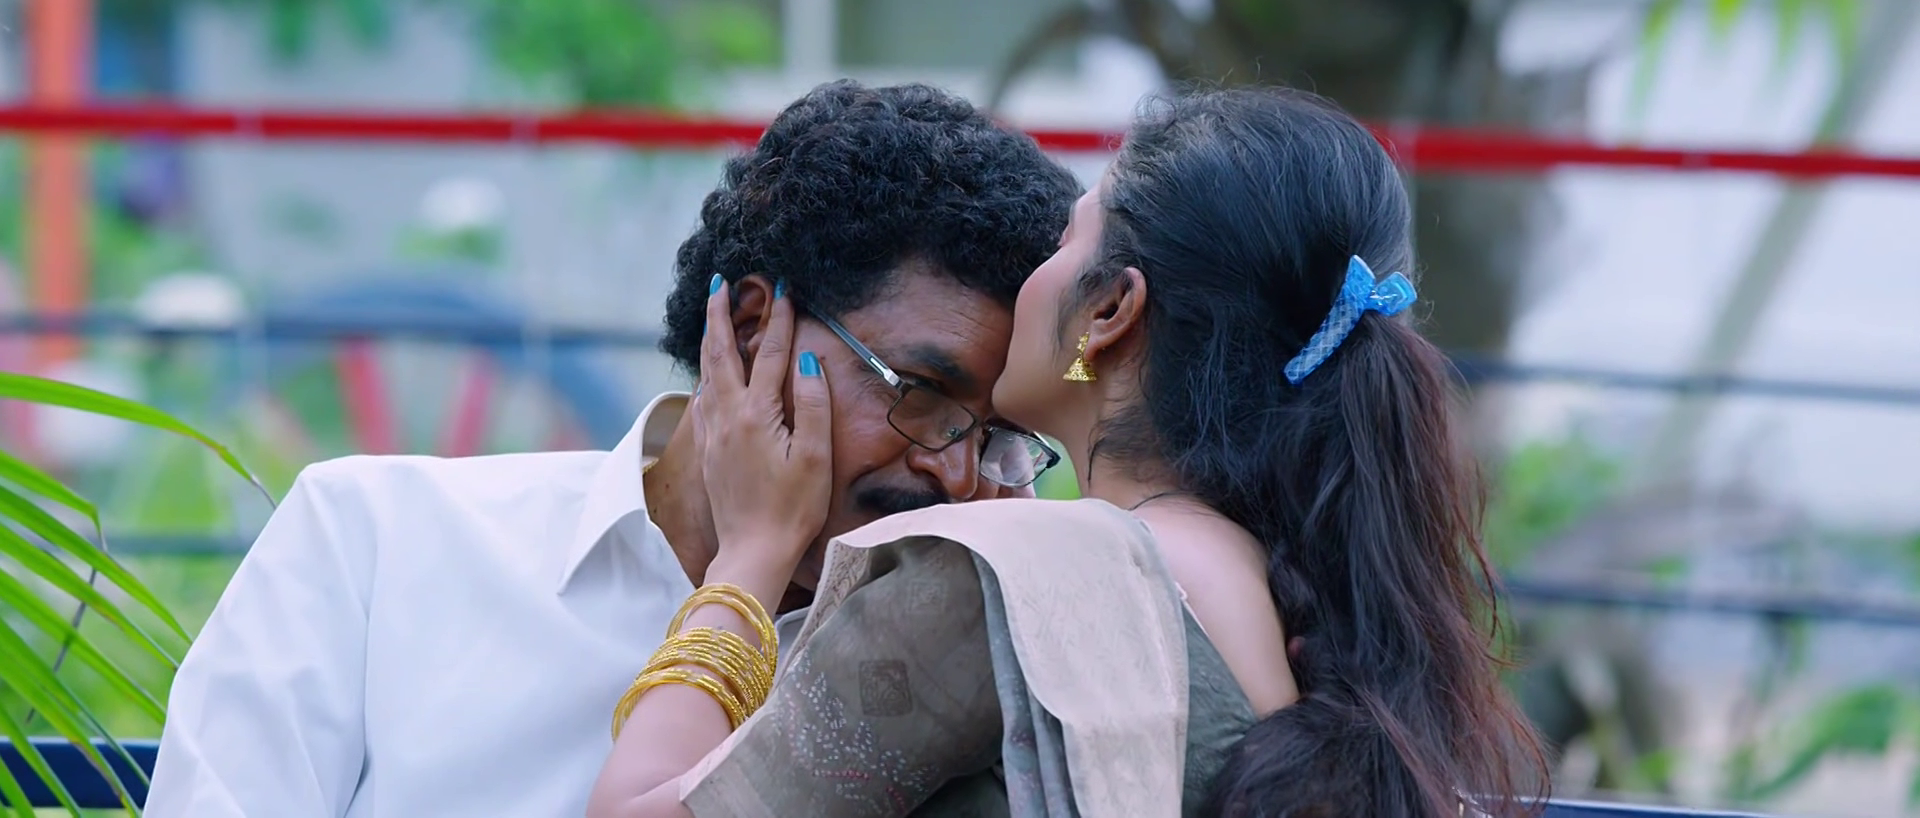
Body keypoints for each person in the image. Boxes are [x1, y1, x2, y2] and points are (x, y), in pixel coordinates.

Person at [585, 86, 1551, 817]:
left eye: (1066, 241)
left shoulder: (1018, 580)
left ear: (1109, 311)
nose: (1030, 277)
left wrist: (750, 557)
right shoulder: (1278, 595)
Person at [142, 79, 1083, 818]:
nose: (957, 471)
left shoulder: (939, 675)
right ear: (753, 328)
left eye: (999, 438)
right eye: (920, 394)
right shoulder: (376, 542)